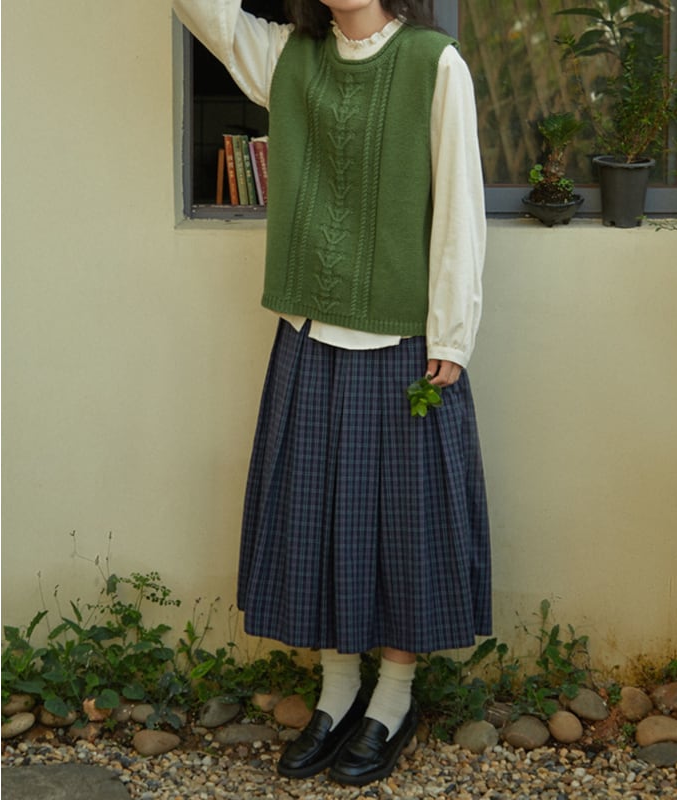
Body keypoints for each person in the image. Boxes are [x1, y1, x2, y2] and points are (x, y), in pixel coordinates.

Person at [172, 0, 491, 787]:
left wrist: (451, 334)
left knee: (406, 527)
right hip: (310, 330)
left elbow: (460, 204)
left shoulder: (434, 63)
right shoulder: (287, 55)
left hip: (404, 338)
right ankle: (337, 689)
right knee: (317, 520)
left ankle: (394, 697)